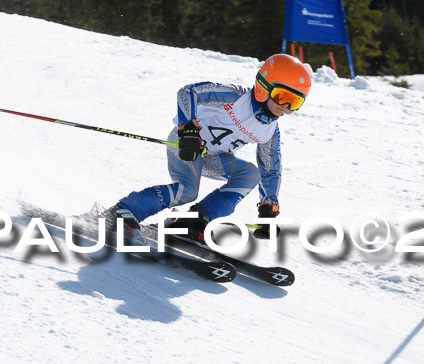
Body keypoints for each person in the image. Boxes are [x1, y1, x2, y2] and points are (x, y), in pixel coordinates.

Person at [103, 53, 311, 242]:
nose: (285, 107)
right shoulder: (234, 98)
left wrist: (268, 207)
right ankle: (124, 210)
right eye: (282, 96)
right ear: (264, 85)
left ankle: (193, 221)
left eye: (294, 102)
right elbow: (188, 92)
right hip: (185, 144)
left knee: (250, 174)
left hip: (213, 158)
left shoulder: (269, 131)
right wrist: (188, 131)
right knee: (187, 190)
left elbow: (270, 167)